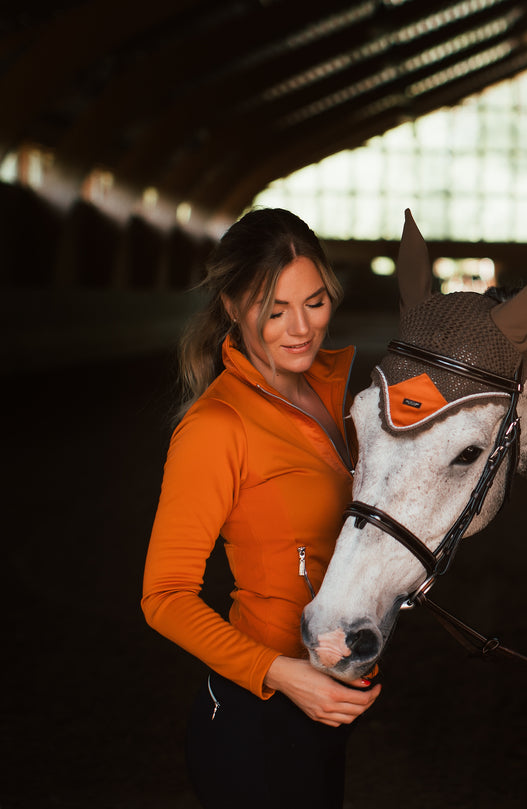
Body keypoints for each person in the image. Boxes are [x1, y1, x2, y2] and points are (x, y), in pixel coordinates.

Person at [142, 208, 380, 809]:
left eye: (315, 303)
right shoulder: (216, 427)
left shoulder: (339, 395)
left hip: (324, 711)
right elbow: (164, 596)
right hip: (257, 720)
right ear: (231, 307)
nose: (301, 328)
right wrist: (282, 673)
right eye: (274, 311)